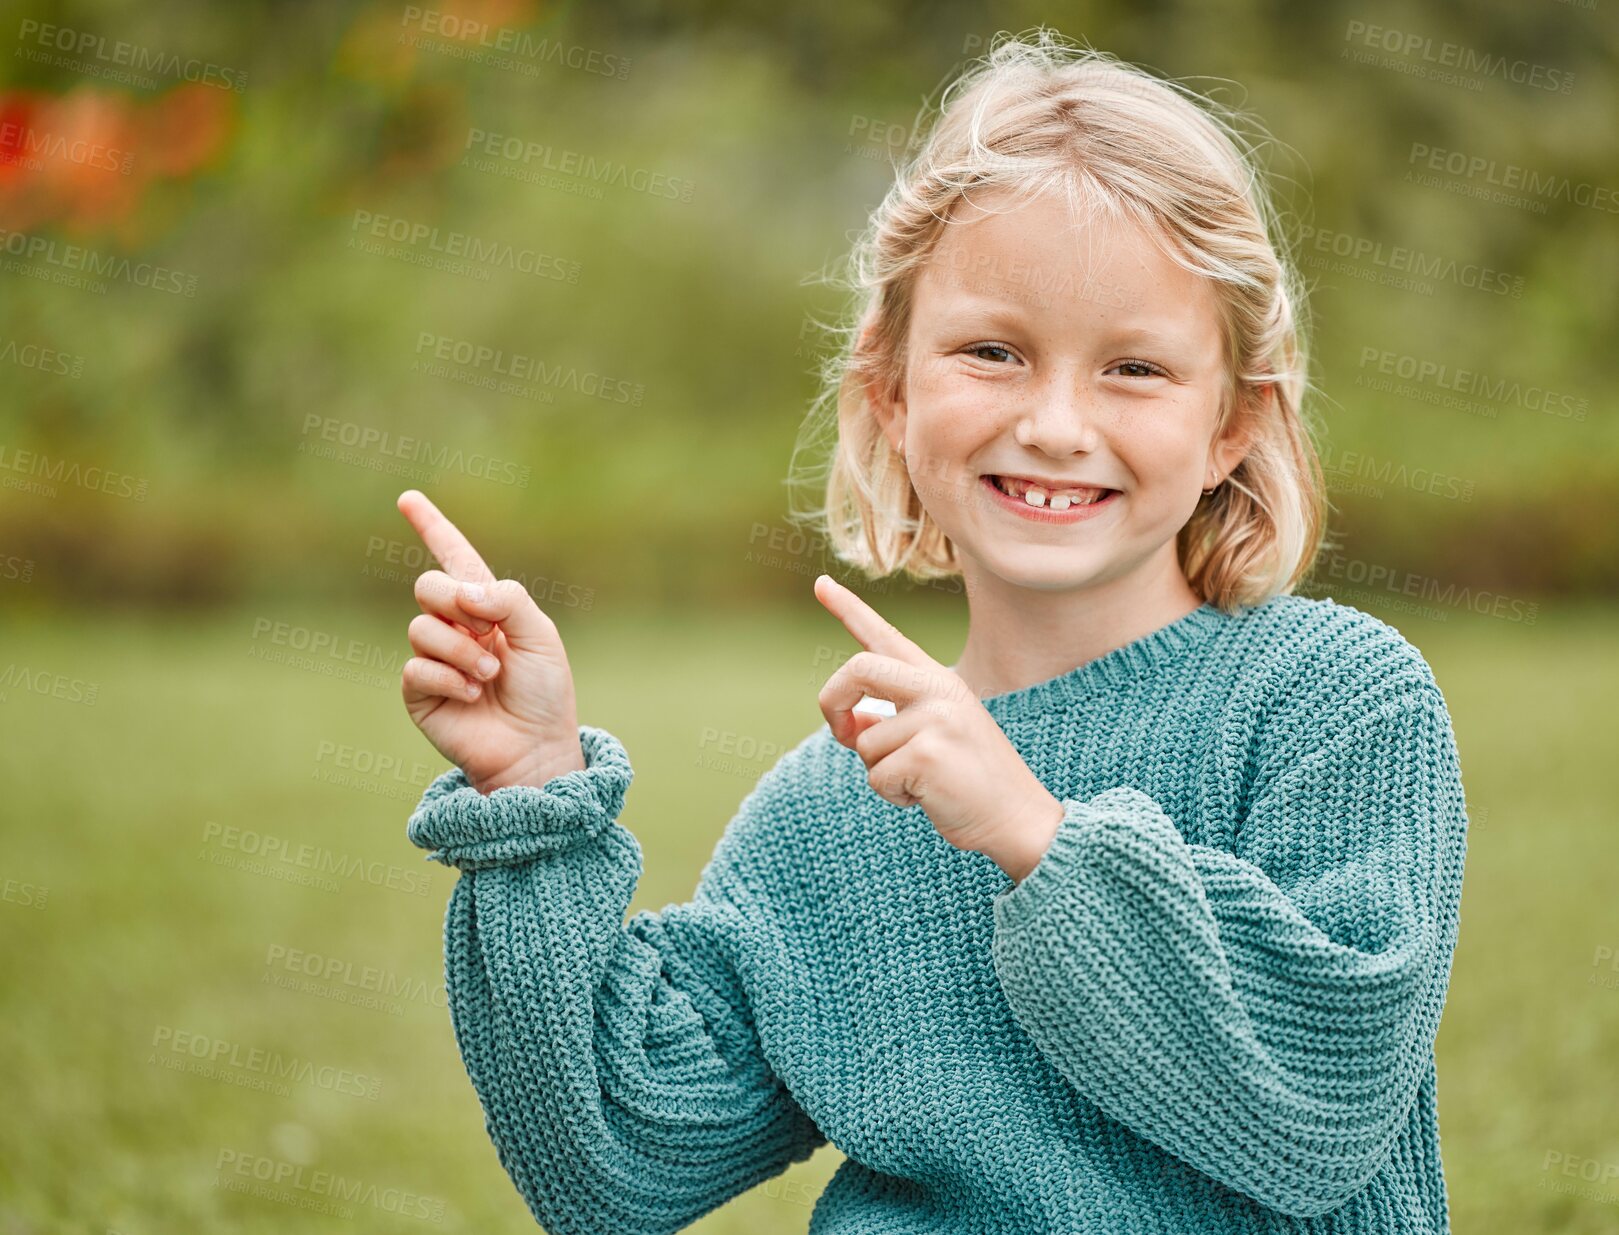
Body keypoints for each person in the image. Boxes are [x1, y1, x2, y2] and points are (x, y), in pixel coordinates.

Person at [397, 28, 1469, 1234]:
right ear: (890, 392)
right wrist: (532, 793)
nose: (1057, 424)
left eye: (1133, 367)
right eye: (992, 352)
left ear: (1232, 420)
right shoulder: (832, 810)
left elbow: (1315, 1112)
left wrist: (1036, 836)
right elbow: (614, 1165)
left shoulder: (1337, 699)